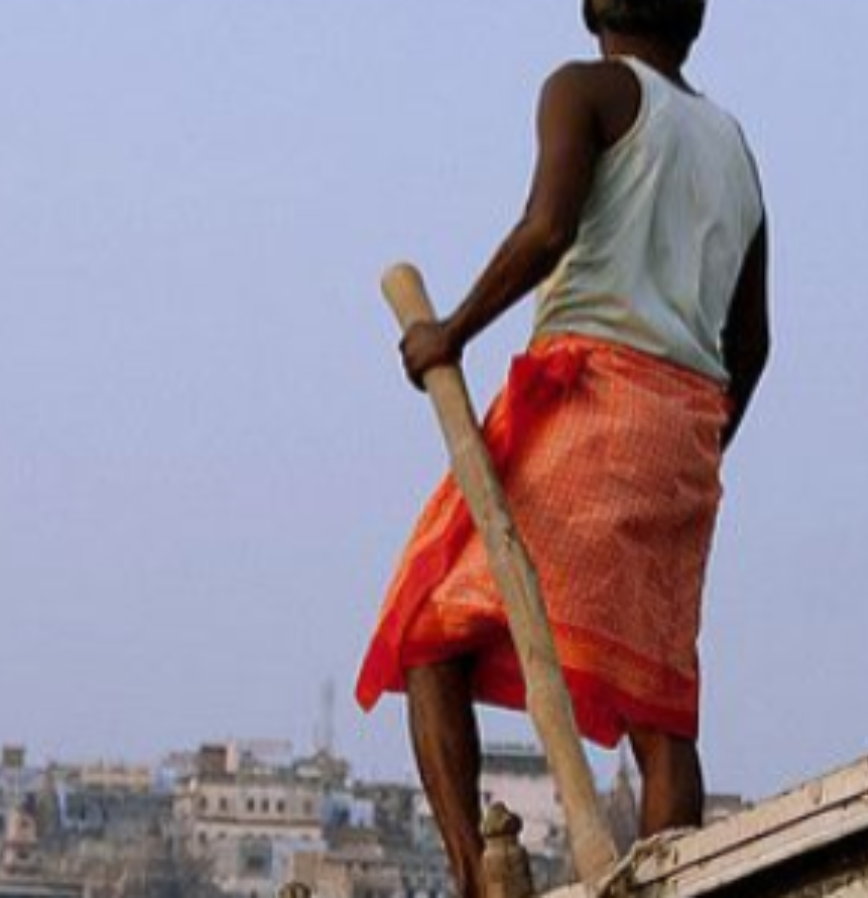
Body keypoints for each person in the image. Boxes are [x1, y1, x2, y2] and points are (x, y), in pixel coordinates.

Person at [354, 0, 771, 894]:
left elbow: (548, 231)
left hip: (589, 400)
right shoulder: (734, 148)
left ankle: (475, 876)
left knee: (428, 626)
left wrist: (449, 333)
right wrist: (699, 444)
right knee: (662, 709)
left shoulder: (584, 90)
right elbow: (756, 344)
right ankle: (667, 885)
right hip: (688, 429)